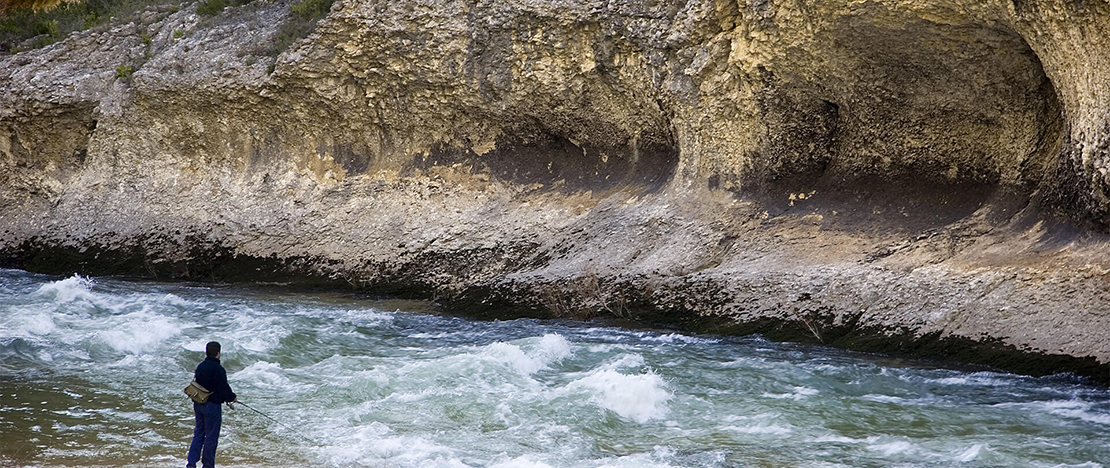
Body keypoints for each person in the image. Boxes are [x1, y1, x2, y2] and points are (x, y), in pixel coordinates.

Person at [186, 341, 237, 468]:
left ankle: (191, 464)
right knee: (211, 437)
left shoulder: (201, 366)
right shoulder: (218, 369)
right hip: (212, 406)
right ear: (218, 354)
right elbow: (223, 388)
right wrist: (232, 397)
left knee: (198, 433)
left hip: (198, 404)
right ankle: (208, 465)